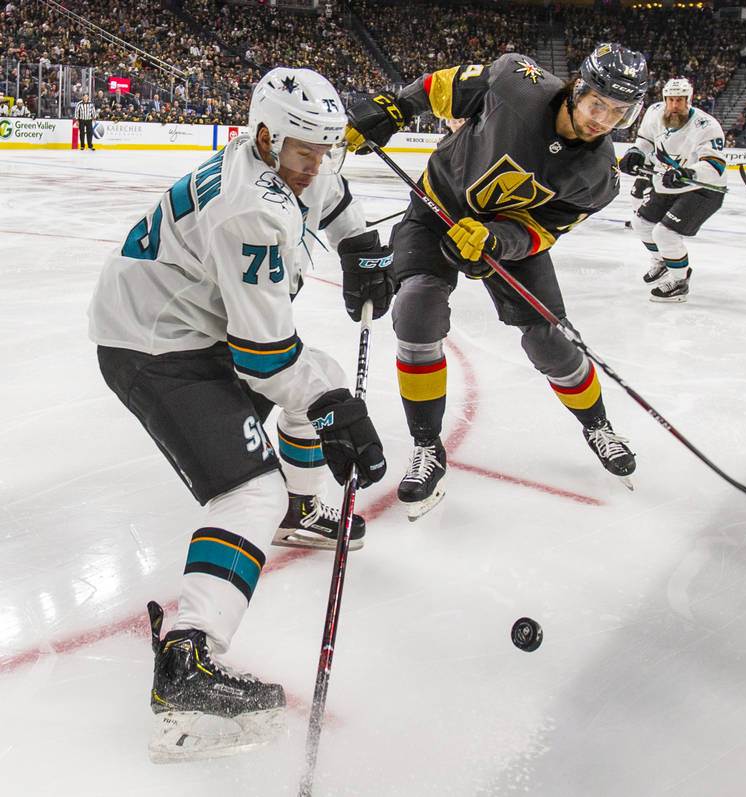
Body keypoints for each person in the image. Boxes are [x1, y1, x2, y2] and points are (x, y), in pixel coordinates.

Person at [87, 67, 392, 761]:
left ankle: (304, 512)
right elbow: (265, 357)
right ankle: (186, 660)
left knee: (324, 384)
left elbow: (334, 192)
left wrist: (359, 242)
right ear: (264, 136)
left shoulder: (283, 161)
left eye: (325, 149)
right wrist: (333, 409)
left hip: (188, 325)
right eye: (304, 152)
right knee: (251, 488)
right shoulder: (250, 206)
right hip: (154, 342)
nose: (316, 166)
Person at [342, 43, 647, 520]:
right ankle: (427, 446)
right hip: (437, 209)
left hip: (502, 235)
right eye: (597, 104)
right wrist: (394, 107)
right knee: (416, 311)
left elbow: (544, 229)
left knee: (551, 340)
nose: (603, 120)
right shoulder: (513, 83)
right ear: (577, 89)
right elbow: (441, 87)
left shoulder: (599, 177)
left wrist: (496, 241)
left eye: (618, 113)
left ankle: (598, 425)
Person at [618, 77, 728, 302]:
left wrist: (687, 173)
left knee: (664, 233)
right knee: (641, 223)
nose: (675, 105)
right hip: (668, 183)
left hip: (704, 188)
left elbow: (714, 166)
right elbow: (645, 140)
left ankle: (679, 281)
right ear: (664, 99)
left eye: (680, 100)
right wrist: (636, 153)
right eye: (671, 100)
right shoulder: (654, 112)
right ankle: (663, 262)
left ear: (689, 99)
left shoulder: (706, 126)